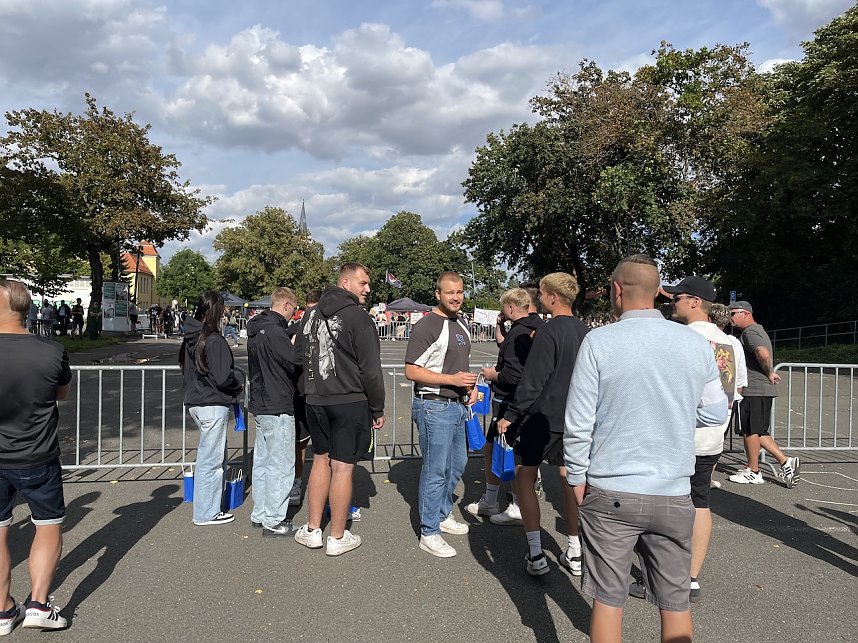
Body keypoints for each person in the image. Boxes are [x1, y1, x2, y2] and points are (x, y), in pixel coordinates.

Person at [564, 255, 728, 643]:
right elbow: (715, 411)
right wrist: (674, 414)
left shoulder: (599, 341)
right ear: (658, 292)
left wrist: (576, 477)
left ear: (617, 290)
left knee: (608, 601)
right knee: (675, 602)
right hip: (673, 490)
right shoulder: (695, 344)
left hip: (611, 488)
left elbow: (579, 421)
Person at [495, 273, 589, 576]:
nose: (539, 298)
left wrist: (510, 415)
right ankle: (575, 550)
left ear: (553, 297)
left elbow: (533, 380)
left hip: (542, 418)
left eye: (542, 294)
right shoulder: (586, 331)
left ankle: (536, 553)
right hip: (575, 419)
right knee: (570, 480)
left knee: (524, 477)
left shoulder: (549, 332)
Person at [293, 264, 385, 556]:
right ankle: (337, 536)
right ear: (345, 283)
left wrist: (310, 389)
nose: (368, 289)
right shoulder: (358, 316)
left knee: (321, 460)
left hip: (316, 398)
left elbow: (298, 358)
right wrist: (377, 407)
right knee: (343, 466)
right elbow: (371, 369)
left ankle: (312, 529)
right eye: (363, 283)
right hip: (349, 399)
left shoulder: (309, 315)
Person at [661, 276, 740, 603]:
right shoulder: (729, 342)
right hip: (712, 437)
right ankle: (691, 577)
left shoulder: (681, 337)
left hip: (679, 436)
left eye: (677, 297)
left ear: (694, 302)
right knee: (700, 502)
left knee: (664, 508)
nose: (672, 302)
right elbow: (734, 392)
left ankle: (663, 575)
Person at [0, 279, 72, 631]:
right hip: (37, 454)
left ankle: (3, 611)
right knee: (47, 525)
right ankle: (39, 606)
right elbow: (61, 394)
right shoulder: (52, 350)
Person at [405, 271, 477, 558]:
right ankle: (429, 531)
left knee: (457, 465)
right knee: (436, 470)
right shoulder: (427, 325)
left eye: (459, 292)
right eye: (450, 292)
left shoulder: (461, 324)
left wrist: (469, 388)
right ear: (438, 294)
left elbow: (460, 367)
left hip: (458, 405)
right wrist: (452, 380)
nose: (456, 297)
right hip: (434, 406)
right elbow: (411, 370)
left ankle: (442, 514)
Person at [466, 287, 542, 520]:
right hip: (523, 400)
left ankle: (512, 505)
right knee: (497, 448)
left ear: (510, 307)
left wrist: (492, 374)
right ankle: (494, 500)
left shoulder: (520, 332)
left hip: (510, 401)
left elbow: (512, 374)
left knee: (507, 452)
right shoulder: (536, 327)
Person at [179, 291, 243, 526]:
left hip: (196, 400)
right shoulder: (213, 339)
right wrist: (238, 384)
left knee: (212, 457)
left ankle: (208, 507)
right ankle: (206, 512)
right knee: (212, 461)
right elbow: (223, 376)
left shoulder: (192, 337)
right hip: (211, 402)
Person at [727, 301, 800, 487]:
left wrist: (769, 372)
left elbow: (763, 353)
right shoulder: (756, 330)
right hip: (759, 389)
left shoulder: (749, 332)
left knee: (750, 430)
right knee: (757, 430)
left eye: (733, 313)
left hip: (754, 389)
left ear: (745, 313)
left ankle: (754, 471)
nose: (730, 318)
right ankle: (785, 462)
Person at [247, 287, 301, 537]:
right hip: (277, 402)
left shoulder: (256, 328)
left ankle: (260, 513)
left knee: (263, 462)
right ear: (286, 305)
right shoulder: (275, 332)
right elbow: (292, 363)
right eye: (293, 310)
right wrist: (297, 347)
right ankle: (274, 520)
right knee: (281, 464)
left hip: (260, 401)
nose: (293, 315)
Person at [286, 288, 322, 507]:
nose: (311, 315)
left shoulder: (328, 328)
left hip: (322, 393)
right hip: (300, 392)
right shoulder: (295, 328)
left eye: (314, 310)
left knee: (325, 447)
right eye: (308, 310)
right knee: (299, 443)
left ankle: (329, 494)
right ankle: (296, 482)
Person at [709, 302, 748, 488]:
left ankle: (701, 477)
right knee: (717, 441)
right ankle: (708, 476)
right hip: (727, 399)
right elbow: (740, 374)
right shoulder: (734, 342)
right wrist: (736, 393)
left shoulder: (702, 338)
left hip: (709, 397)